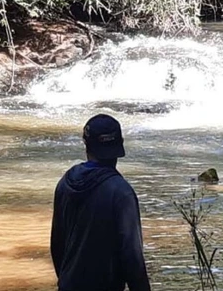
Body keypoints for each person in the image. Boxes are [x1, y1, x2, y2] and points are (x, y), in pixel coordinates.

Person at [50, 114, 151, 291]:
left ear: (86, 144)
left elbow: (57, 245)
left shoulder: (65, 183)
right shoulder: (121, 192)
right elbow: (132, 259)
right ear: (120, 144)